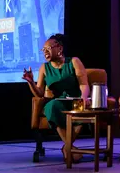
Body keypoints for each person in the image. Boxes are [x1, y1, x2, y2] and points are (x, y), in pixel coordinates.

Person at [22, 34, 90, 163]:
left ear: (59, 48)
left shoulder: (74, 61)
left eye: (48, 48)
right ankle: (69, 148)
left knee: (82, 109)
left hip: (76, 101)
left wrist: (84, 97)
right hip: (59, 103)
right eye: (43, 50)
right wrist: (31, 82)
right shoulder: (44, 68)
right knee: (51, 106)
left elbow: (84, 84)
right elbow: (40, 93)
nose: (45, 52)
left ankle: (67, 148)